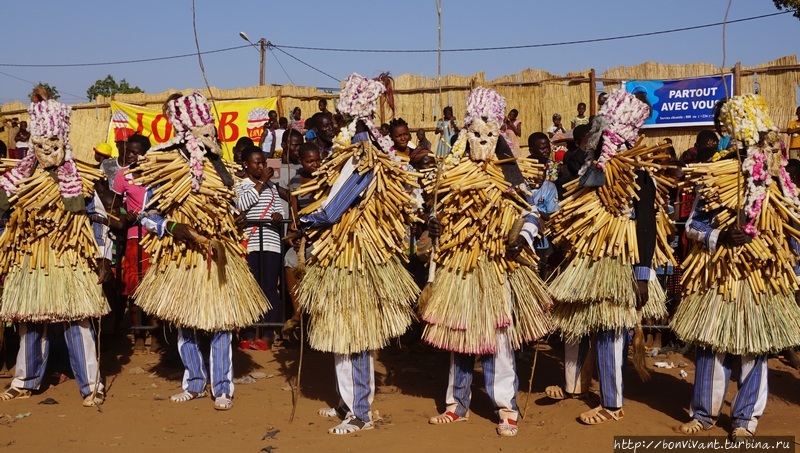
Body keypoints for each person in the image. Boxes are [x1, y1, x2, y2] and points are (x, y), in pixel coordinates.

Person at [295, 73, 419, 435]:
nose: (333, 119)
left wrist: (308, 219)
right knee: (342, 330)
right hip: (342, 252)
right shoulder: (351, 149)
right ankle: (347, 403)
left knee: (356, 333)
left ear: (351, 114)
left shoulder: (362, 153)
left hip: (356, 255)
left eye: (339, 113)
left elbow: (333, 208)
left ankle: (361, 412)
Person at [424, 88, 552, 438]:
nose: (482, 141)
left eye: (489, 134)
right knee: (459, 336)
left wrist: (518, 238)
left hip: (497, 268)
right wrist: (433, 223)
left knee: (498, 340)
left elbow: (533, 213)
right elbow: (437, 212)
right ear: (465, 133)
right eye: (476, 134)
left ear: (498, 135)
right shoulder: (453, 170)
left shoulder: (509, 171)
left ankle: (506, 409)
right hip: (461, 267)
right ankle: (456, 405)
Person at [673, 94, 800, 441]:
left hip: (759, 277)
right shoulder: (715, 171)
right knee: (711, 344)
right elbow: (691, 226)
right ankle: (703, 413)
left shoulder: (777, 177)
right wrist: (719, 235)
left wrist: (786, 262)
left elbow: (791, 225)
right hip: (719, 274)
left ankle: (745, 419)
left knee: (752, 347)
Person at [133, 92, 270, 411]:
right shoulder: (162, 166)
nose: (208, 137)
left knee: (222, 323)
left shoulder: (221, 168)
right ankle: (194, 382)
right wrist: (170, 227)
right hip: (182, 257)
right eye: (201, 132)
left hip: (219, 255)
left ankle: (222, 387)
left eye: (211, 131)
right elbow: (145, 214)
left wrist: (232, 218)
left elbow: (234, 203)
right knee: (186, 322)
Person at [548, 89, 671, 425]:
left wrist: (643, 275)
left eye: (604, 133)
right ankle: (585, 386)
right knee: (593, 326)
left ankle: (612, 404)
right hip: (592, 261)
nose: (598, 138)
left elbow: (646, 225)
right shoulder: (592, 168)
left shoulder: (638, 174)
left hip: (622, 263)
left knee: (612, 332)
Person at [0, 92, 110, 406]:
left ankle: (92, 385)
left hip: (70, 257)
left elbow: (97, 218)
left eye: (52, 143)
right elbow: (6, 217)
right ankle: (25, 381)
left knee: (78, 320)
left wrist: (102, 256)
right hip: (32, 257)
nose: (46, 150)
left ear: (62, 140)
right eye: (40, 144)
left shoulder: (80, 177)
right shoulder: (19, 178)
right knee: (29, 321)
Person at [236, 145, 285, 350]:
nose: (262, 166)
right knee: (250, 288)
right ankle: (248, 331)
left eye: (263, 163)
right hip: (250, 242)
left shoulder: (272, 188)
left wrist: (278, 216)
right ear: (246, 165)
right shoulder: (241, 185)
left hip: (271, 242)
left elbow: (279, 209)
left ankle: (267, 333)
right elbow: (241, 205)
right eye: (257, 163)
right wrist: (261, 183)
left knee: (269, 287)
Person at [112, 133, 157, 354]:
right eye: (128, 151)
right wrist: (125, 213)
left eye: (135, 151)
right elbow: (114, 205)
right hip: (133, 237)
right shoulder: (122, 176)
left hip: (156, 237)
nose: (130, 155)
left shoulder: (157, 174)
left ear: (146, 153)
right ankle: (139, 334)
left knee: (156, 286)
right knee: (134, 288)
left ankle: (156, 334)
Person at [282, 143, 322, 335]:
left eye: (317, 160)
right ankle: (298, 313)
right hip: (304, 235)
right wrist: (294, 232)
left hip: (322, 235)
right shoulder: (295, 182)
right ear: (301, 162)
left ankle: (319, 317)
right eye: (310, 161)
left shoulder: (325, 180)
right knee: (289, 261)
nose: (315, 164)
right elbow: (294, 213)